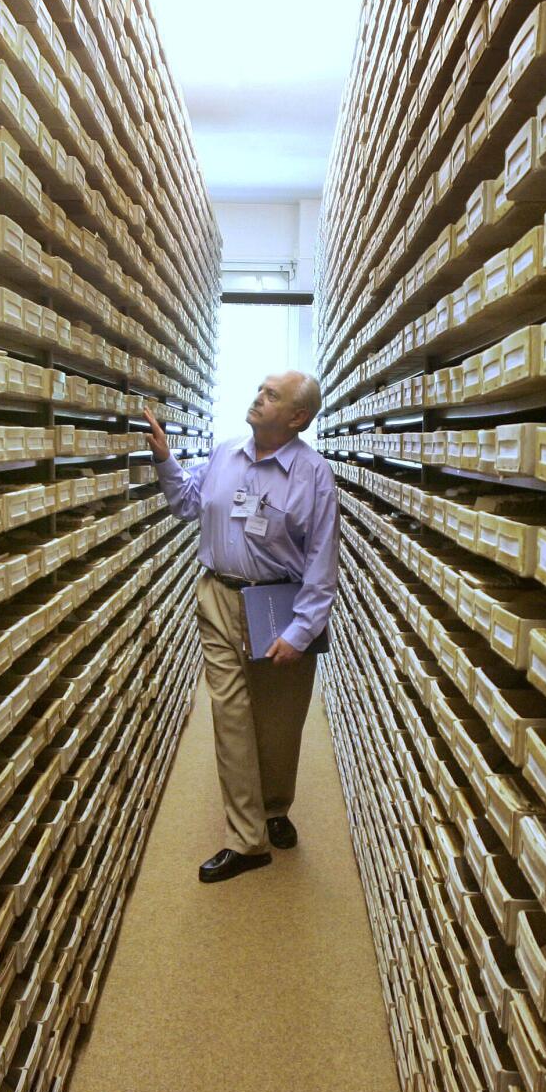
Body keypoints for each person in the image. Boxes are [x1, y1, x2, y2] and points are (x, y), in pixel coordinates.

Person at [145, 371, 338, 884]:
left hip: (277, 604)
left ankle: (274, 808)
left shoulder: (313, 474)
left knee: (278, 722)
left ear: (297, 417)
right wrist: (166, 460)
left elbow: (322, 563)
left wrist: (300, 632)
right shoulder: (226, 451)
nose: (258, 397)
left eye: (271, 395)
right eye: (259, 388)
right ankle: (246, 838)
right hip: (216, 596)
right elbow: (188, 505)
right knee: (230, 715)